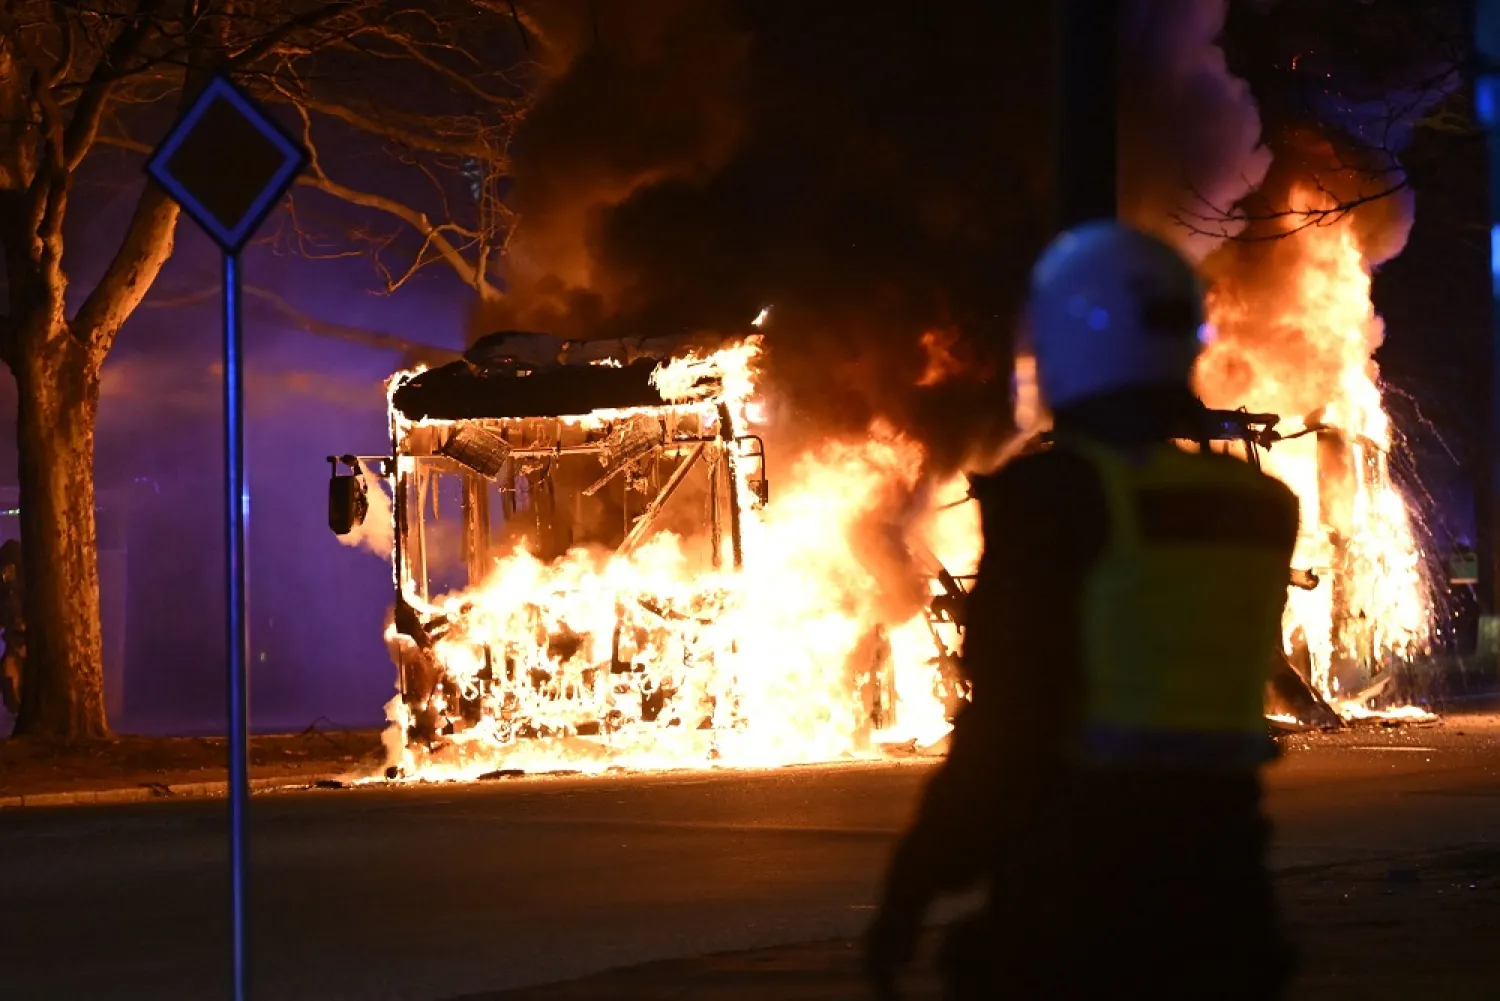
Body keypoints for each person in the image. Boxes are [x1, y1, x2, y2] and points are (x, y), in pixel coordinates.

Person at [866, 221, 1300, 1000]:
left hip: (1080, 897)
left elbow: (1007, 722)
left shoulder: (1059, 501)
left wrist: (914, 889)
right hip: (1225, 890)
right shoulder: (1260, 505)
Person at [0, 539, 24, 726]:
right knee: (7, 679)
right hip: (12, 642)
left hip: (25, 643)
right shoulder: (5, 590)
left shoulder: (25, 589)